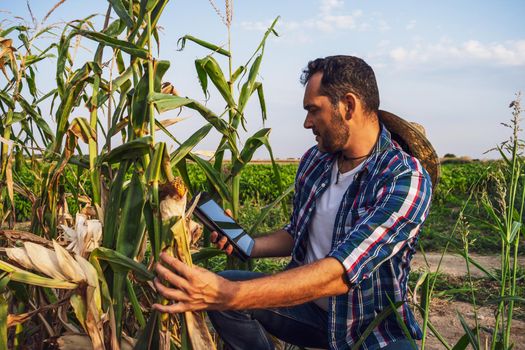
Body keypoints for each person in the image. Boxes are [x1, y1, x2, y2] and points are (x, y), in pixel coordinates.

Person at [152, 55, 438, 350]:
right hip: (310, 312)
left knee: (230, 294)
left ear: (348, 106)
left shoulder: (404, 178)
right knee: (227, 296)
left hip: (370, 329)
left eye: (314, 110)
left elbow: (341, 273)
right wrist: (246, 241)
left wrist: (229, 293)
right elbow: (297, 233)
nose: (306, 123)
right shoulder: (315, 161)